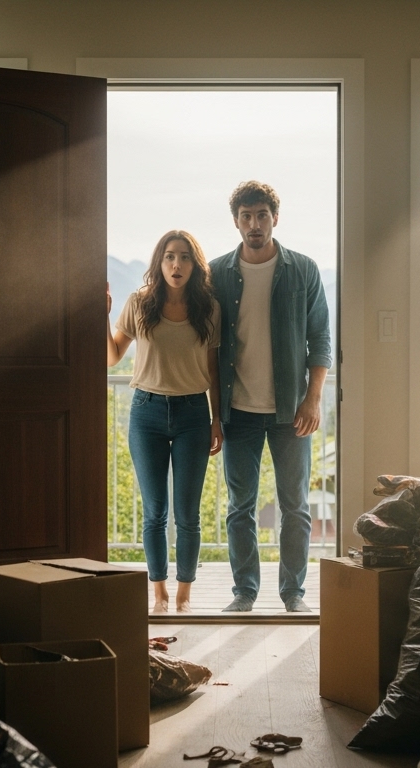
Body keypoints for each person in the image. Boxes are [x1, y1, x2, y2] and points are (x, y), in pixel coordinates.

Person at [209, 181, 332, 613]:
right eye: (246, 216)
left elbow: (320, 340)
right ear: (236, 221)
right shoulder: (217, 273)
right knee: (239, 507)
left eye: (262, 215)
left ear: (275, 218)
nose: (254, 224)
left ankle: (292, 593)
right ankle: (244, 592)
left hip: (290, 410)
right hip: (237, 410)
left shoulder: (303, 270)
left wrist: (313, 399)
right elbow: (205, 344)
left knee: (295, 506)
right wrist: (214, 416)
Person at [107, 230, 223, 613]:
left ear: (195, 264)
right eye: (170, 256)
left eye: (185, 257)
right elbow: (112, 357)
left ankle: (184, 596)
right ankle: (158, 595)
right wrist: (102, 315)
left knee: (188, 513)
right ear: (159, 262)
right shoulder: (140, 304)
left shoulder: (208, 308)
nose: (177, 264)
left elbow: (213, 369)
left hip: (193, 415)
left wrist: (216, 419)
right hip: (147, 413)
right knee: (155, 511)